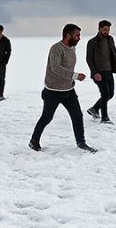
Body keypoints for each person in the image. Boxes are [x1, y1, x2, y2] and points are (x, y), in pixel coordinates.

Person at [29, 24, 97, 152]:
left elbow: (67, 66)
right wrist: (75, 75)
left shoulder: (72, 48)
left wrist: (72, 79)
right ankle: (34, 141)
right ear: (68, 35)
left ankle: (81, 143)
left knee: (77, 115)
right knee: (47, 117)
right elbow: (56, 68)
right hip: (53, 91)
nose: (79, 38)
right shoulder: (56, 49)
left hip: (69, 90)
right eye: (77, 35)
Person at [85, 20, 116, 124]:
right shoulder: (92, 42)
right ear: (99, 29)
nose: (107, 31)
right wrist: (95, 73)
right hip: (98, 73)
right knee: (105, 94)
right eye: (105, 29)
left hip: (109, 71)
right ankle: (104, 118)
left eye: (108, 29)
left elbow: (114, 54)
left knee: (110, 94)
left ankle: (94, 109)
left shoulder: (110, 39)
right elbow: (89, 59)